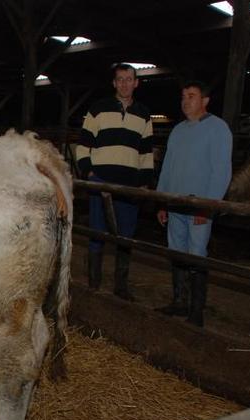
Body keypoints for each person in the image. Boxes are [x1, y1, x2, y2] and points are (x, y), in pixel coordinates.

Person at [155, 80, 232, 327]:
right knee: (177, 253)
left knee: (197, 254)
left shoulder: (218, 129)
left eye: (191, 96)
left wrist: (207, 206)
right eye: (183, 96)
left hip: (199, 206)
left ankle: (196, 310)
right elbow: (167, 168)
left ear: (205, 101)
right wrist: (162, 200)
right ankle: (179, 302)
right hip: (175, 203)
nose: (185, 101)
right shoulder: (177, 131)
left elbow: (221, 172)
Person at [76, 63, 154, 301]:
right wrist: (89, 174)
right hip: (101, 182)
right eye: (120, 79)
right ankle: (94, 284)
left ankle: (121, 287)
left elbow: (146, 152)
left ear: (136, 82)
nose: (124, 83)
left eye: (129, 79)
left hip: (129, 184)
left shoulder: (143, 114)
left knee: (125, 236)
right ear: (114, 83)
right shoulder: (98, 109)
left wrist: (143, 182)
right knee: (97, 232)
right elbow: (83, 145)